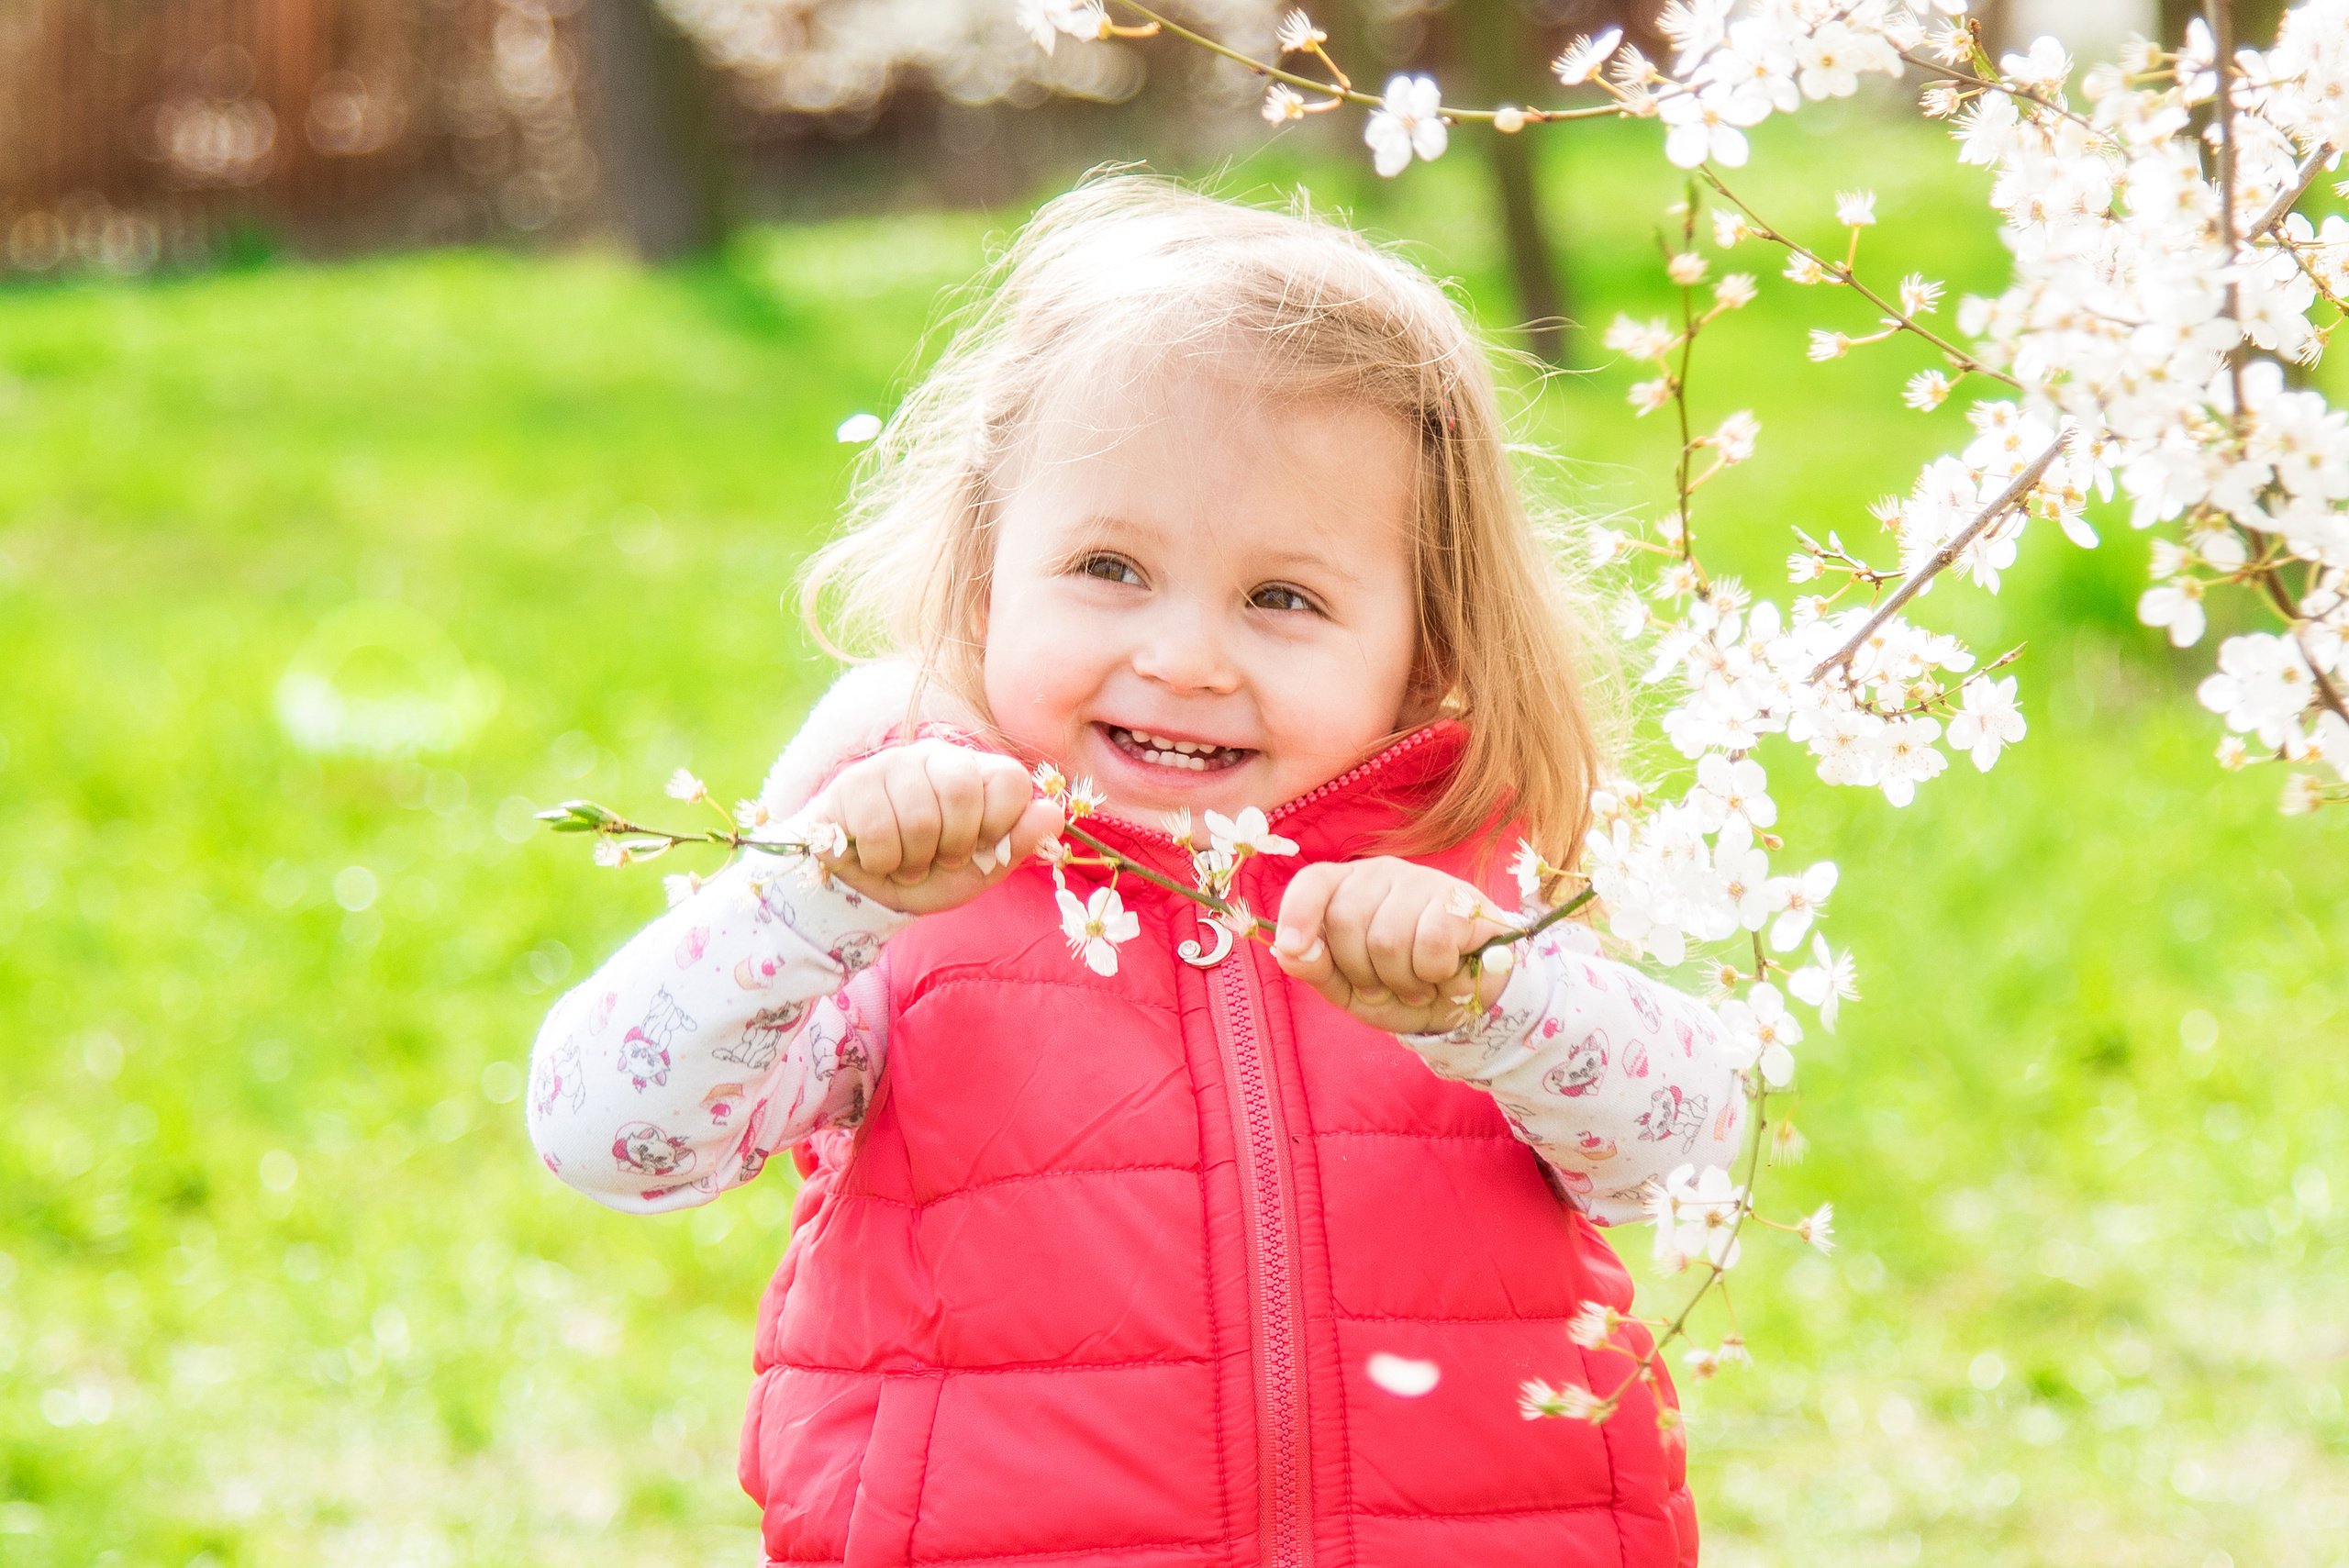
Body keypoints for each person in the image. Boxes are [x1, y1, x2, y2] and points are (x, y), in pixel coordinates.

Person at [527, 176, 1742, 1568]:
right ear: (990, 582)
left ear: (1427, 639)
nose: (1185, 655)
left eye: (1283, 597)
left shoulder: (1463, 868)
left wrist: (1501, 1002)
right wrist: (813, 900)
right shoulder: (901, 885)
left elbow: (1689, 1161)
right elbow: (610, 1136)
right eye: (1109, 566)